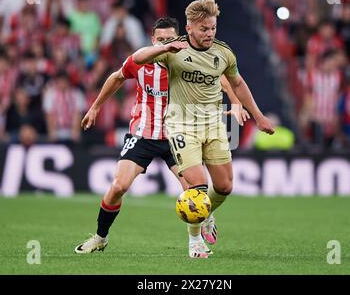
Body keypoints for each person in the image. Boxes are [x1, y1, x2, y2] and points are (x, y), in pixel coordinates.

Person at [74, 17, 250, 255]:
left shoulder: (187, 61)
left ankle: (196, 242)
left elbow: (223, 79)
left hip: (178, 134)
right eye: (161, 40)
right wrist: (95, 107)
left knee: (193, 191)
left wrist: (237, 103)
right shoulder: (140, 60)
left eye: (170, 39)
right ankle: (100, 237)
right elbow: (116, 78)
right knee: (118, 186)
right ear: (152, 40)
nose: (166, 43)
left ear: (178, 39)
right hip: (143, 134)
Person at [132, 0, 275, 258]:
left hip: (213, 125)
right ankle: (195, 243)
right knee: (198, 187)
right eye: (203, 29)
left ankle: (206, 214)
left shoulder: (223, 53)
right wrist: (164, 48)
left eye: (212, 28)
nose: (209, 33)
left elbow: (238, 83)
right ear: (189, 28)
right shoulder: (173, 50)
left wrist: (258, 116)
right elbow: (137, 58)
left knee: (224, 187)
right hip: (181, 125)